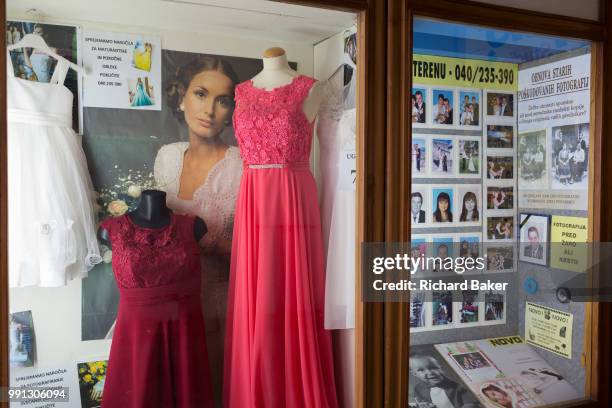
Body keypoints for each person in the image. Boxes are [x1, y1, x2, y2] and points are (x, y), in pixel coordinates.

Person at [154, 55, 243, 402]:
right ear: (182, 98)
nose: (210, 110)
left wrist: (210, 242)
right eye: (201, 94)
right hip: (169, 303)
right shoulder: (167, 156)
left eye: (223, 101)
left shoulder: (242, 165)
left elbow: (259, 252)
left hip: (218, 308)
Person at [410, 354, 481, 408]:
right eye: (421, 370)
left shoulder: (458, 387)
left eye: (434, 368)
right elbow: (420, 402)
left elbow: (471, 405)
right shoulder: (419, 388)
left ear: (440, 368)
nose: (430, 373)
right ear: (414, 374)